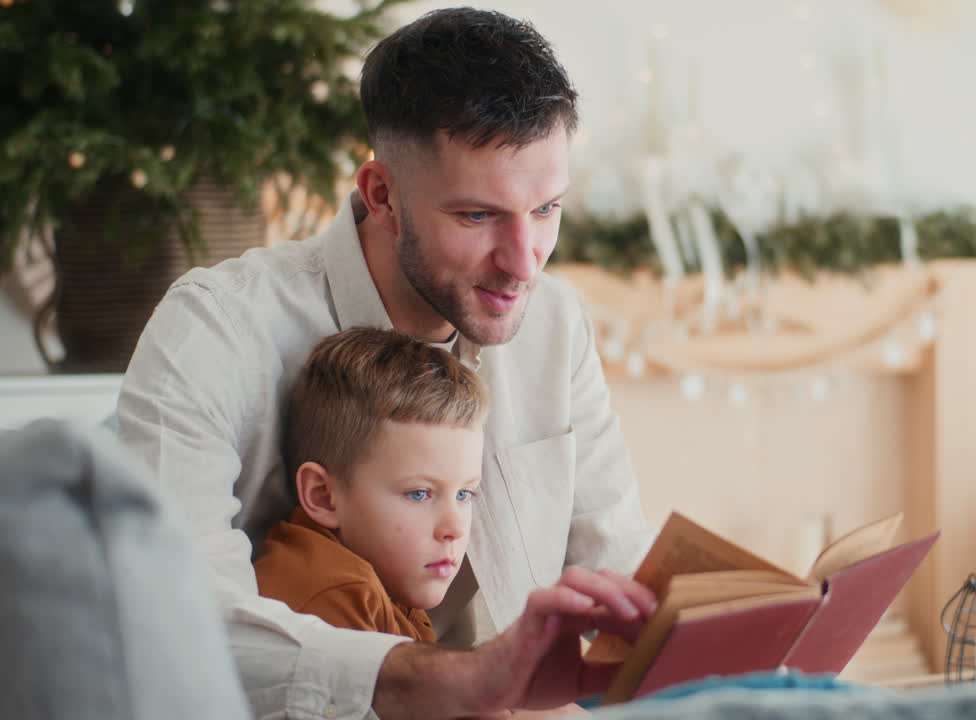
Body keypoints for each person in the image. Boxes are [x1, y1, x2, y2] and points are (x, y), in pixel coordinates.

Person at [116, 7, 656, 718]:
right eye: (477, 216)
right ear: (382, 196)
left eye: (547, 208)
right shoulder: (215, 330)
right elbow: (172, 615)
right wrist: (456, 681)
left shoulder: (554, 323)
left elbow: (614, 560)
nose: (524, 263)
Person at [254, 327, 489, 644]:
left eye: (463, 494)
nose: (454, 528)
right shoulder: (334, 594)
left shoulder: (392, 580)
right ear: (323, 496)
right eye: (419, 494)